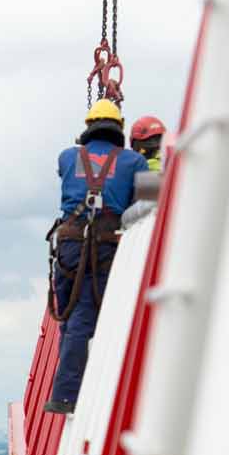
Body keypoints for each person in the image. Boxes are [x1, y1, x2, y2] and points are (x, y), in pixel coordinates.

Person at [44, 99, 149, 415]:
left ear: (88, 127)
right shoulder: (134, 161)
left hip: (68, 244)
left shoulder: (67, 156)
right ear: (119, 128)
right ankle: (66, 394)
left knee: (68, 315)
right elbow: (150, 203)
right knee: (84, 315)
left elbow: (67, 174)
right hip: (101, 247)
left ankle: (69, 388)